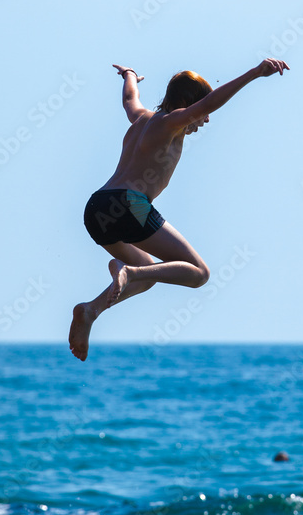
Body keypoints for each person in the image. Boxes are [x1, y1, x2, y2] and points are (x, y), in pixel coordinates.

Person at [69, 57, 290, 360]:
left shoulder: (141, 119)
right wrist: (254, 73)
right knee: (199, 273)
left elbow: (130, 100)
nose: (206, 120)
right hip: (128, 204)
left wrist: (129, 75)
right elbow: (209, 104)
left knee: (149, 276)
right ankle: (129, 272)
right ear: (186, 103)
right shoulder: (171, 122)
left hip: (97, 207)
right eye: (200, 111)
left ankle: (91, 310)